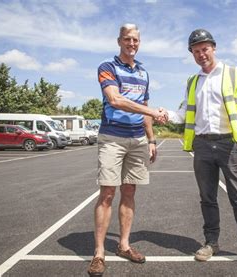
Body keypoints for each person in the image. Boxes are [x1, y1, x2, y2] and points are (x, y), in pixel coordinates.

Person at [167, 29, 237, 273]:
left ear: (213, 48)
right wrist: (163, 114)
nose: (201, 54)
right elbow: (182, 114)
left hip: (229, 144)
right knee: (207, 198)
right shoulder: (193, 82)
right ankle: (210, 242)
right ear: (191, 54)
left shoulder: (233, 74)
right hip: (202, 146)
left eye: (205, 48)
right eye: (196, 50)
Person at [87, 23, 166, 277]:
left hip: (138, 140)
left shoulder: (143, 72)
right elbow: (115, 99)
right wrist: (152, 111)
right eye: (127, 39)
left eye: (136, 40)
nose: (132, 44)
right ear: (119, 40)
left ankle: (123, 245)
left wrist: (151, 140)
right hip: (112, 137)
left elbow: (144, 108)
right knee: (108, 193)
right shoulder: (107, 67)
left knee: (129, 192)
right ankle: (99, 253)